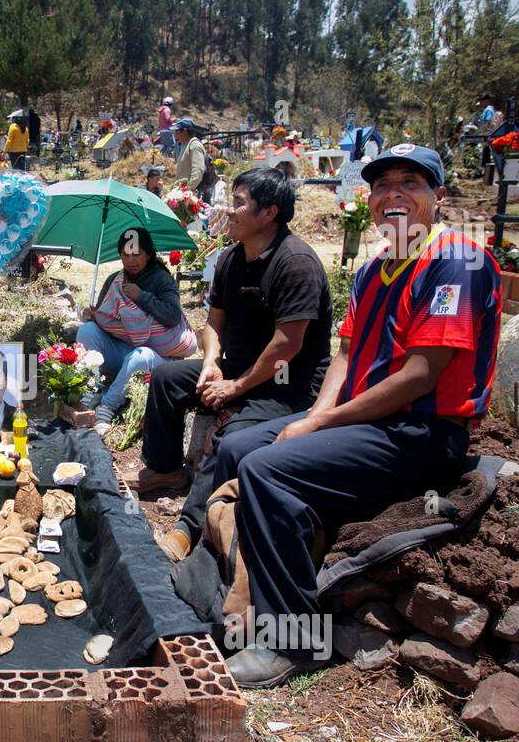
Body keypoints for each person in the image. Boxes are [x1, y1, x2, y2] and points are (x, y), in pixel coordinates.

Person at [212, 145, 501, 687]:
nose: (393, 194)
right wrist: (316, 415)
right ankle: (232, 580)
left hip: (421, 431)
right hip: (368, 424)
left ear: (439, 197)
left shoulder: (457, 260)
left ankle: (293, 641)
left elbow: (421, 374)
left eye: (410, 183)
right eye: (382, 184)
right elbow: (345, 355)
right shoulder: (373, 270)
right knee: (239, 446)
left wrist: (318, 425)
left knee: (265, 470)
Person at [135, 169, 332, 564]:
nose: (228, 209)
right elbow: (214, 320)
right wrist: (211, 364)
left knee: (230, 439)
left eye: (239, 202)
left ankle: (189, 528)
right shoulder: (230, 257)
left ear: (269, 213)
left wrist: (236, 388)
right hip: (238, 367)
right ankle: (165, 469)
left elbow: (287, 345)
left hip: (286, 381)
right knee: (168, 378)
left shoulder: (296, 264)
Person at [77, 227, 194, 436]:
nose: (131, 260)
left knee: (141, 356)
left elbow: (172, 316)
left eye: (136, 254)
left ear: (148, 254)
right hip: (122, 351)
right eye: (125, 255)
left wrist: (142, 297)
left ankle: (107, 407)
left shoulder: (161, 279)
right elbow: (106, 317)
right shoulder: (115, 279)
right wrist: (93, 314)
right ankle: (93, 389)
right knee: (87, 331)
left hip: (154, 357)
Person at [174, 117, 207, 193]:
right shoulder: (184, 146)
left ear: (185, 131)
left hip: (190, 193)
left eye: (177, 132)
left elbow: (198, 170)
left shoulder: (195, 145)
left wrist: (188, 189)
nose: (175, 136)